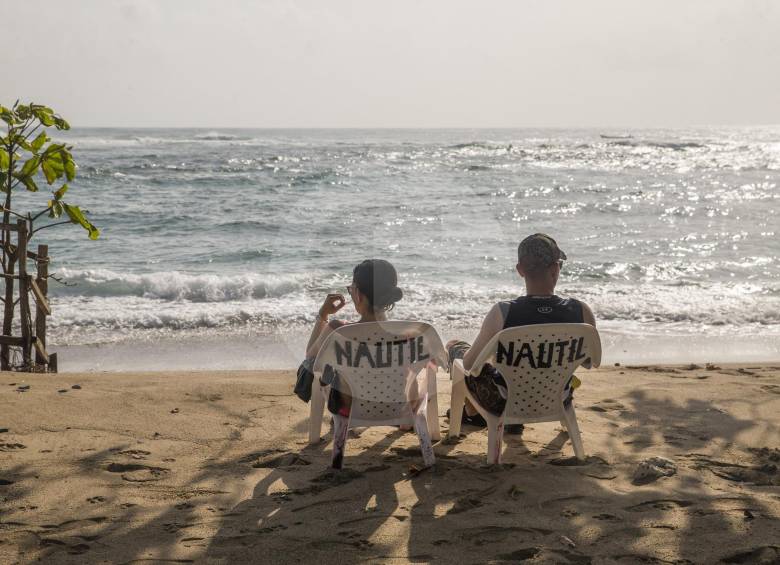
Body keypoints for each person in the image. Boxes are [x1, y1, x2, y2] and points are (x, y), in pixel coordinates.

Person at [446, 233, 596, 434]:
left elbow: (469, 364)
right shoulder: (581, 311)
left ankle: (472, 414)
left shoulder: (503, 312)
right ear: (556, 268)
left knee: (457, 348)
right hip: (557, 397)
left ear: (520, 270)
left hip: (504, 402)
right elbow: (589, 362)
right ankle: (475, 413)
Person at [298, 259, 404, 416]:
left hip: (352, 408)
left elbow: (310, 356)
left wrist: (323, 315)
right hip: (395, 405)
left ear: (359, 295)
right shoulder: (405, 333)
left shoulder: (339, 329)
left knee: (310, 365)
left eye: (351, 289)